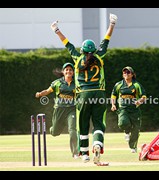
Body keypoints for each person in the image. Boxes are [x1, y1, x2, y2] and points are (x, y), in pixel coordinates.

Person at [50, 13, 118, 164]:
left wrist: (56, 29)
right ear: (93, 50)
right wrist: (112, 24)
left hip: (83, 95)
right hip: (99, 94)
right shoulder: (99, 56)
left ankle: (85, 154)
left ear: (82, 50)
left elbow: (66, 43)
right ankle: (97, 145)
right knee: (99, 124)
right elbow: (106, 39)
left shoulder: (77, 57)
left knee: (83, 124)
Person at [35, 62, 79, 159]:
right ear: (63, 72)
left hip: (71, 110)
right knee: (55, 132)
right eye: (66, 69)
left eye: (70, 70)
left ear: (73, 72)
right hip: (59, 110)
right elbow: (47, 91)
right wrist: (40, 94)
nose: (68, 71)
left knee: (72, 131)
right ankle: (53, 128)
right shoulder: (57, 83)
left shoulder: (77, 83)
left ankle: (75, 153)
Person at [111, 66, 146, 153]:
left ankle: (133, 147)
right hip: (123, 109)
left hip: (134, 110)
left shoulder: (137, 85)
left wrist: (139, 101)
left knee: (136, 129)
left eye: (128, 72)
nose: (126, 74)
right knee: (122, 123)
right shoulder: (118, 85)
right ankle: (127, 132)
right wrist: (113, 104)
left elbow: (144, 96)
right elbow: (113, 95)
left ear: (132, 74)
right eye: (124, 72)